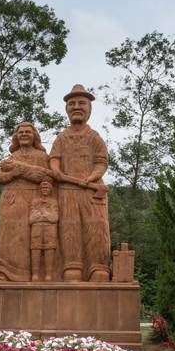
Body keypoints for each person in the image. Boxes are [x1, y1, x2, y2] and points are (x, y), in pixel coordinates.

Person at [48, 84, 111, 282]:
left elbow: (101, 162)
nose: (76, 106)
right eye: (72, 103)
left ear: (89, 109)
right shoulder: (61, 138)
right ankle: (72, 266)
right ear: (66, 109)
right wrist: (56, 171)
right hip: (67, 190)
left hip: (92, 190)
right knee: (69, 227)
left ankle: (98, 267)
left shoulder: (94, 137)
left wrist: (92, 177)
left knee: (96, 227)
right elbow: (54, 159)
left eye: (81, 103)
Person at [0, 122, 54, 281]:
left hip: (32, 199)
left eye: (28, 132)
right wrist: (14, 173)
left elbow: (49, 177)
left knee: (28, 236)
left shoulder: (41, 157)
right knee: (8, 234)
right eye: (21, 132)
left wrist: (25, 172)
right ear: (16, 137)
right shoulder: (13, 157)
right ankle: (4, 271)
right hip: (10, 199)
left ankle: (29, 274)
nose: (24, 134)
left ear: (34, 136)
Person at [28, 181, 59, 282]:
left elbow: (55, 218)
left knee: (49, 248)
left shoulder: (54, 202)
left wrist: (43, 214)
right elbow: (31, 218)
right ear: (40, 189)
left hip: (50, 228)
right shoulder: (34, 202)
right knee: (35, 248)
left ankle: (48, 275)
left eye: (47, 188)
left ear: (50, 190)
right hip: (36, 227)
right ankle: (35, 275)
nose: (44, 190)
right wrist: (46, 215)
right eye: (42, 188)